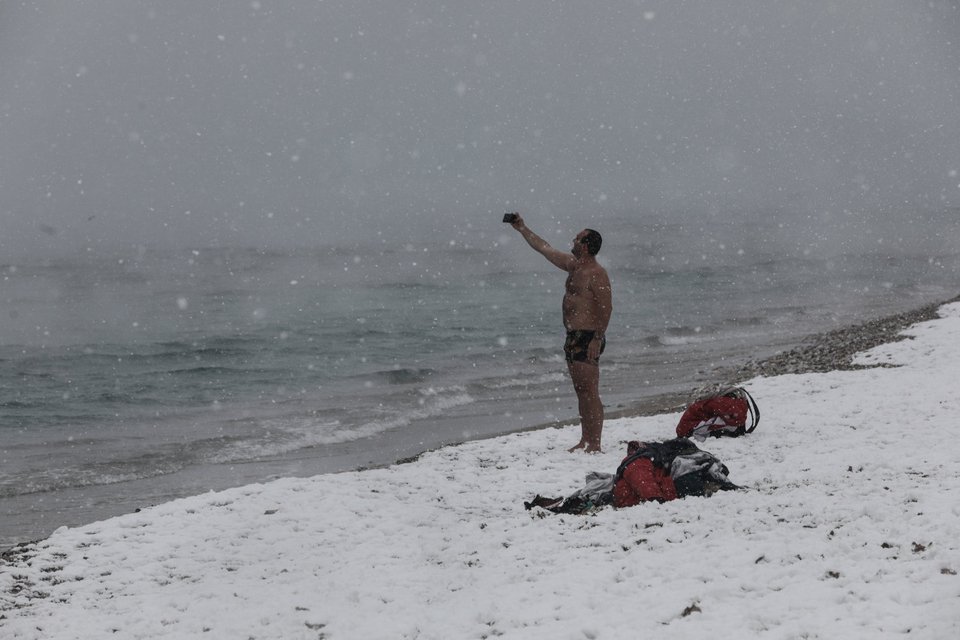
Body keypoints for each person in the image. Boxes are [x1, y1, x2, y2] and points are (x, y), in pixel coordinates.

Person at [508, 214, 612, 452]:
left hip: (588, 336)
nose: (573, 241)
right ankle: (585, 439)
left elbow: (607, 306)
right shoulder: (574, 266)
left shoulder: (597, 273)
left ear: (585, 246)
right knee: (581, 391)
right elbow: (544, 248)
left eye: (577, 239)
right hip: (573, 336)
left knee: (590, 392)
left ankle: (595, 444)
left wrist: (597, 339)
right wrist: (522, 228)